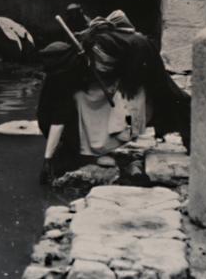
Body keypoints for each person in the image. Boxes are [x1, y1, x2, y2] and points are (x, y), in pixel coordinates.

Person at [37, 10, 191, 184]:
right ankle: (96, 148)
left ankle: (189, 134)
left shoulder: (83, 57)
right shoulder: (71, 62)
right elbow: (59, 114)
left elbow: (59, 117)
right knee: (86, 100)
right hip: (123, 64)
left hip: (139, 58)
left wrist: (48, 159)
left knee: (167, 96)